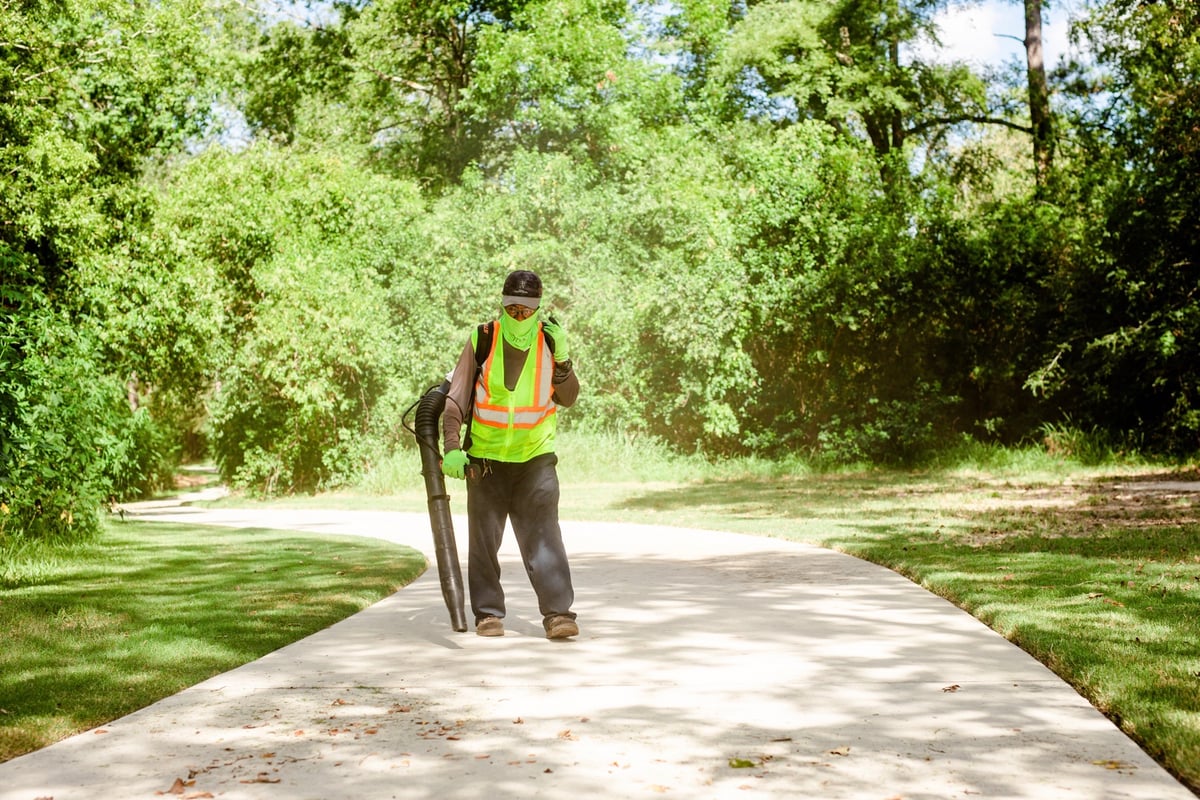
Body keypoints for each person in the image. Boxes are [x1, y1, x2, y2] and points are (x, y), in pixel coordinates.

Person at [440, 270, 581, 639]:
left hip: (535, 457)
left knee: (545, 539)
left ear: (538, 309)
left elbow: (568, 398)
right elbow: (455, 398)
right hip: (486, 460)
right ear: (503, 304)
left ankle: (558, 615)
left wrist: (564, 362)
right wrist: (452, 447)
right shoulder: (483, 338)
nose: (519, 315)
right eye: (512, 308)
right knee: (484, 542)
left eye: (526, 310)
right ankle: (488, 614)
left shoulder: (550, 342)